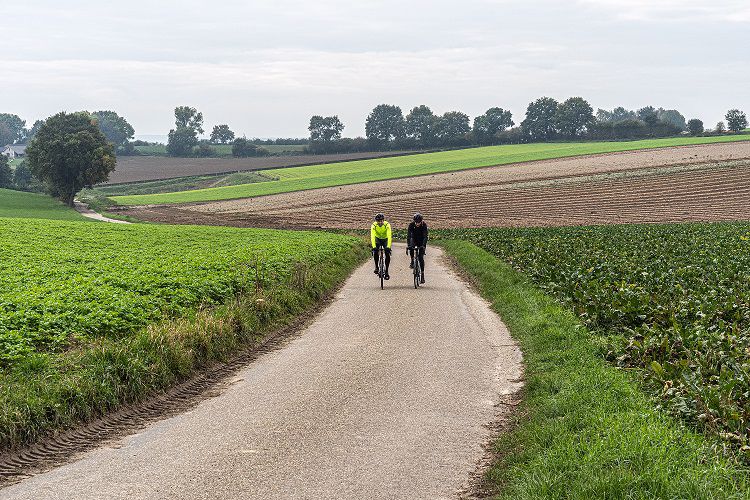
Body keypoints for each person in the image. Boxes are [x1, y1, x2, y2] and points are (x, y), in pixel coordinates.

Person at [407, 213, 428, 284]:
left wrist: (423, 246)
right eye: (416, 222)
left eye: (419, 222)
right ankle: (412, 260)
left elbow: (425, 236)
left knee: (420, 257)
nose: (417, 224)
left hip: (421, 240)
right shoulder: (411, 225)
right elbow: (409, 236)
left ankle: (422, 274)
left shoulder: (424, 225)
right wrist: (409, 245)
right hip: (414, 240)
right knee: (411, 247)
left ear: (421, 221)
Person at [371, 213, 392, 280]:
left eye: (381, 221)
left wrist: (388, 247)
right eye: (378, 221)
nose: (380, 222)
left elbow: (389, 236)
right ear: (376, 221)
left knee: (387, 253)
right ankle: (376, 267)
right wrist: (374, 247)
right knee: (376, 251)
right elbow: (372, 236)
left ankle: (386, 271)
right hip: (377, 239)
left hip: (385, 239)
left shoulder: (387, 225)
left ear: (383, 220)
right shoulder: (374, 225)